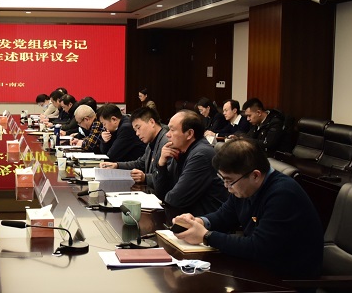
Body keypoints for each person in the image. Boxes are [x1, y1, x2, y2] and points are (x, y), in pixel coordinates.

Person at [173, 138, 323, 279]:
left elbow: (258, 247)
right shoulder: (244, 187)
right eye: (223, 179)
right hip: (258, 269)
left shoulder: (283, 194)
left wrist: (206, 236)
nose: (226, 187)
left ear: (255, 175)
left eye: (229, 181)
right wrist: (199, 222)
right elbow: (224, 216)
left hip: (287, 280)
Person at [150, 110, 227, 216]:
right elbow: (161, 192)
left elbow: (175, 199)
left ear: (189, 134)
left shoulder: (201, 155)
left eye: (172, 130)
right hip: (186, 216)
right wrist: (161, 164)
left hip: (205, 221)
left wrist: (166, 194)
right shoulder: (179, 150)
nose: (167, 134)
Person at [100, 106, 168, 188]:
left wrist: (145, 178)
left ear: (152, 122)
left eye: (138, 128)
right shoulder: (151, 142)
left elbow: (169, 178)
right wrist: (116, 165)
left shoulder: (166, 143)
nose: (137, 133)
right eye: (135, 130)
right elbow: (140, 163)